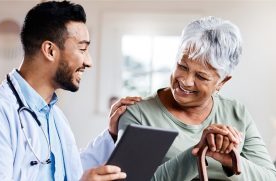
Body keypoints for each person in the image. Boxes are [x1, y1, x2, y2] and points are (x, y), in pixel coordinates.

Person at [0, 1, 141, 180]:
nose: (89, 62)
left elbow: (71, 172)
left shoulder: (55, 116)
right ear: (50, 51)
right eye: (82, 49)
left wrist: (111, 134)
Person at [118, 16, 276, 180]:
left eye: (201, 76)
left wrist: (231, 161)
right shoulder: (139, 114)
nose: (186, 81)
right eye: (182, 66)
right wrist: (198, 152)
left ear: (222, 82)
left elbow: (270, 177)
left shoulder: (236, 112)